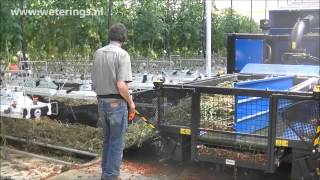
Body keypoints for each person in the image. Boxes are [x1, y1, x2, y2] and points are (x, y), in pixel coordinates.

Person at [91, 23, 135, 180]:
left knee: (108, 139)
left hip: (101, 102)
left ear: (110, 36)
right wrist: (131, 103)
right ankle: (111, 176)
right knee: (117, 142)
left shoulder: (98, 53)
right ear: (124, 38)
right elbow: (121, 85)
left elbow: (94, 84)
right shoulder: (122, 55)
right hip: (117, 103)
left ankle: (106, 172)